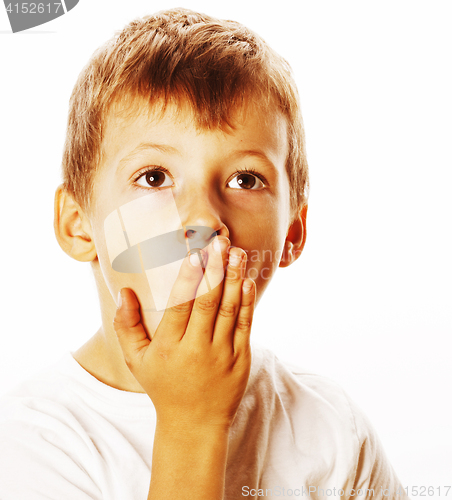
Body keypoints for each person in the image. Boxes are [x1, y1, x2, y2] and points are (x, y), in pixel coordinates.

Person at [0, 8, 409, 500]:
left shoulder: (331, 429)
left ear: (293, 233)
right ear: (77, 224)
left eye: (245, 179)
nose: (204, 221)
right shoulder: (33, 444)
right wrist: (191, 423)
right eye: (154, 177)